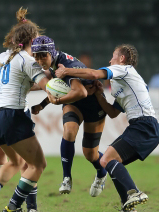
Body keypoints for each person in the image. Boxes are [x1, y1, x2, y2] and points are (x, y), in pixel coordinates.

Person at [55, 44, 159, 212]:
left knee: (106, 159)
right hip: (145, 127)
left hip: (143, 126)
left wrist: (67, 71)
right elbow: (112, 113)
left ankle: (135, 192)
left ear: (122, 59)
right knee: (111, 163)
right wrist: (98, 95)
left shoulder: (123, 69)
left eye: (113, 56)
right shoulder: (122, 82)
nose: (109, 60)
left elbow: (95, 73)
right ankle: (128, 209)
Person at [0, 8, 48, 212]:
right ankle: (13, 209)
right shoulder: (28, 60)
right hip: (12, 116)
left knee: (16, 162)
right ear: (32, 39)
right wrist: (60, 87)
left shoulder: (1, 57)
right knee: (37, 164)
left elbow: (13, 84)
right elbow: (46, 85)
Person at [31, 35, 107, 196]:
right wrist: (42, 105)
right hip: (74, 102)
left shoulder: (64, 65)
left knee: (90, 154)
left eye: (43, 55)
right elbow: (59, 86)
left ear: (51, 52)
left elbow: (81, 92)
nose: (40, 60)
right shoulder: (55, 64)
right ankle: (66, 178)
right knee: (69, 131)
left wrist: (57, 102)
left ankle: (102, 172)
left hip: (94, 105)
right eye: (36, 56)